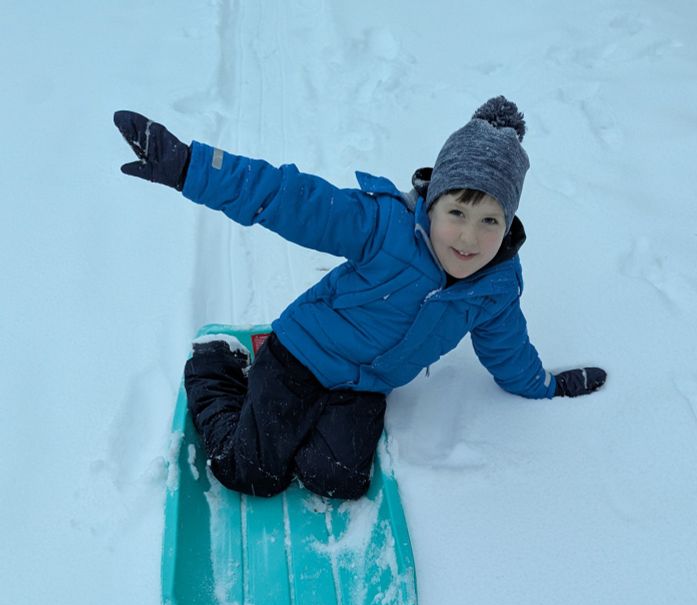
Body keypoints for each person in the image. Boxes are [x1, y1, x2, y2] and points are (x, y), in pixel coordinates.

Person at [114, 97, 606, 500]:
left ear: (508, 226)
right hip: (302, 355)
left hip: (365, 385)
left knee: (339, 479)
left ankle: (284, 420)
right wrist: (191, 168)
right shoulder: (383, 228)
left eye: (490, 221)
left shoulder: (495, 285)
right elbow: (293, 199)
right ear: (432, 204)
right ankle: (218, 367)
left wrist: (547, 387)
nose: (469, 238)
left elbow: (508, 350)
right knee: (253, 474)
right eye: (457, 212)